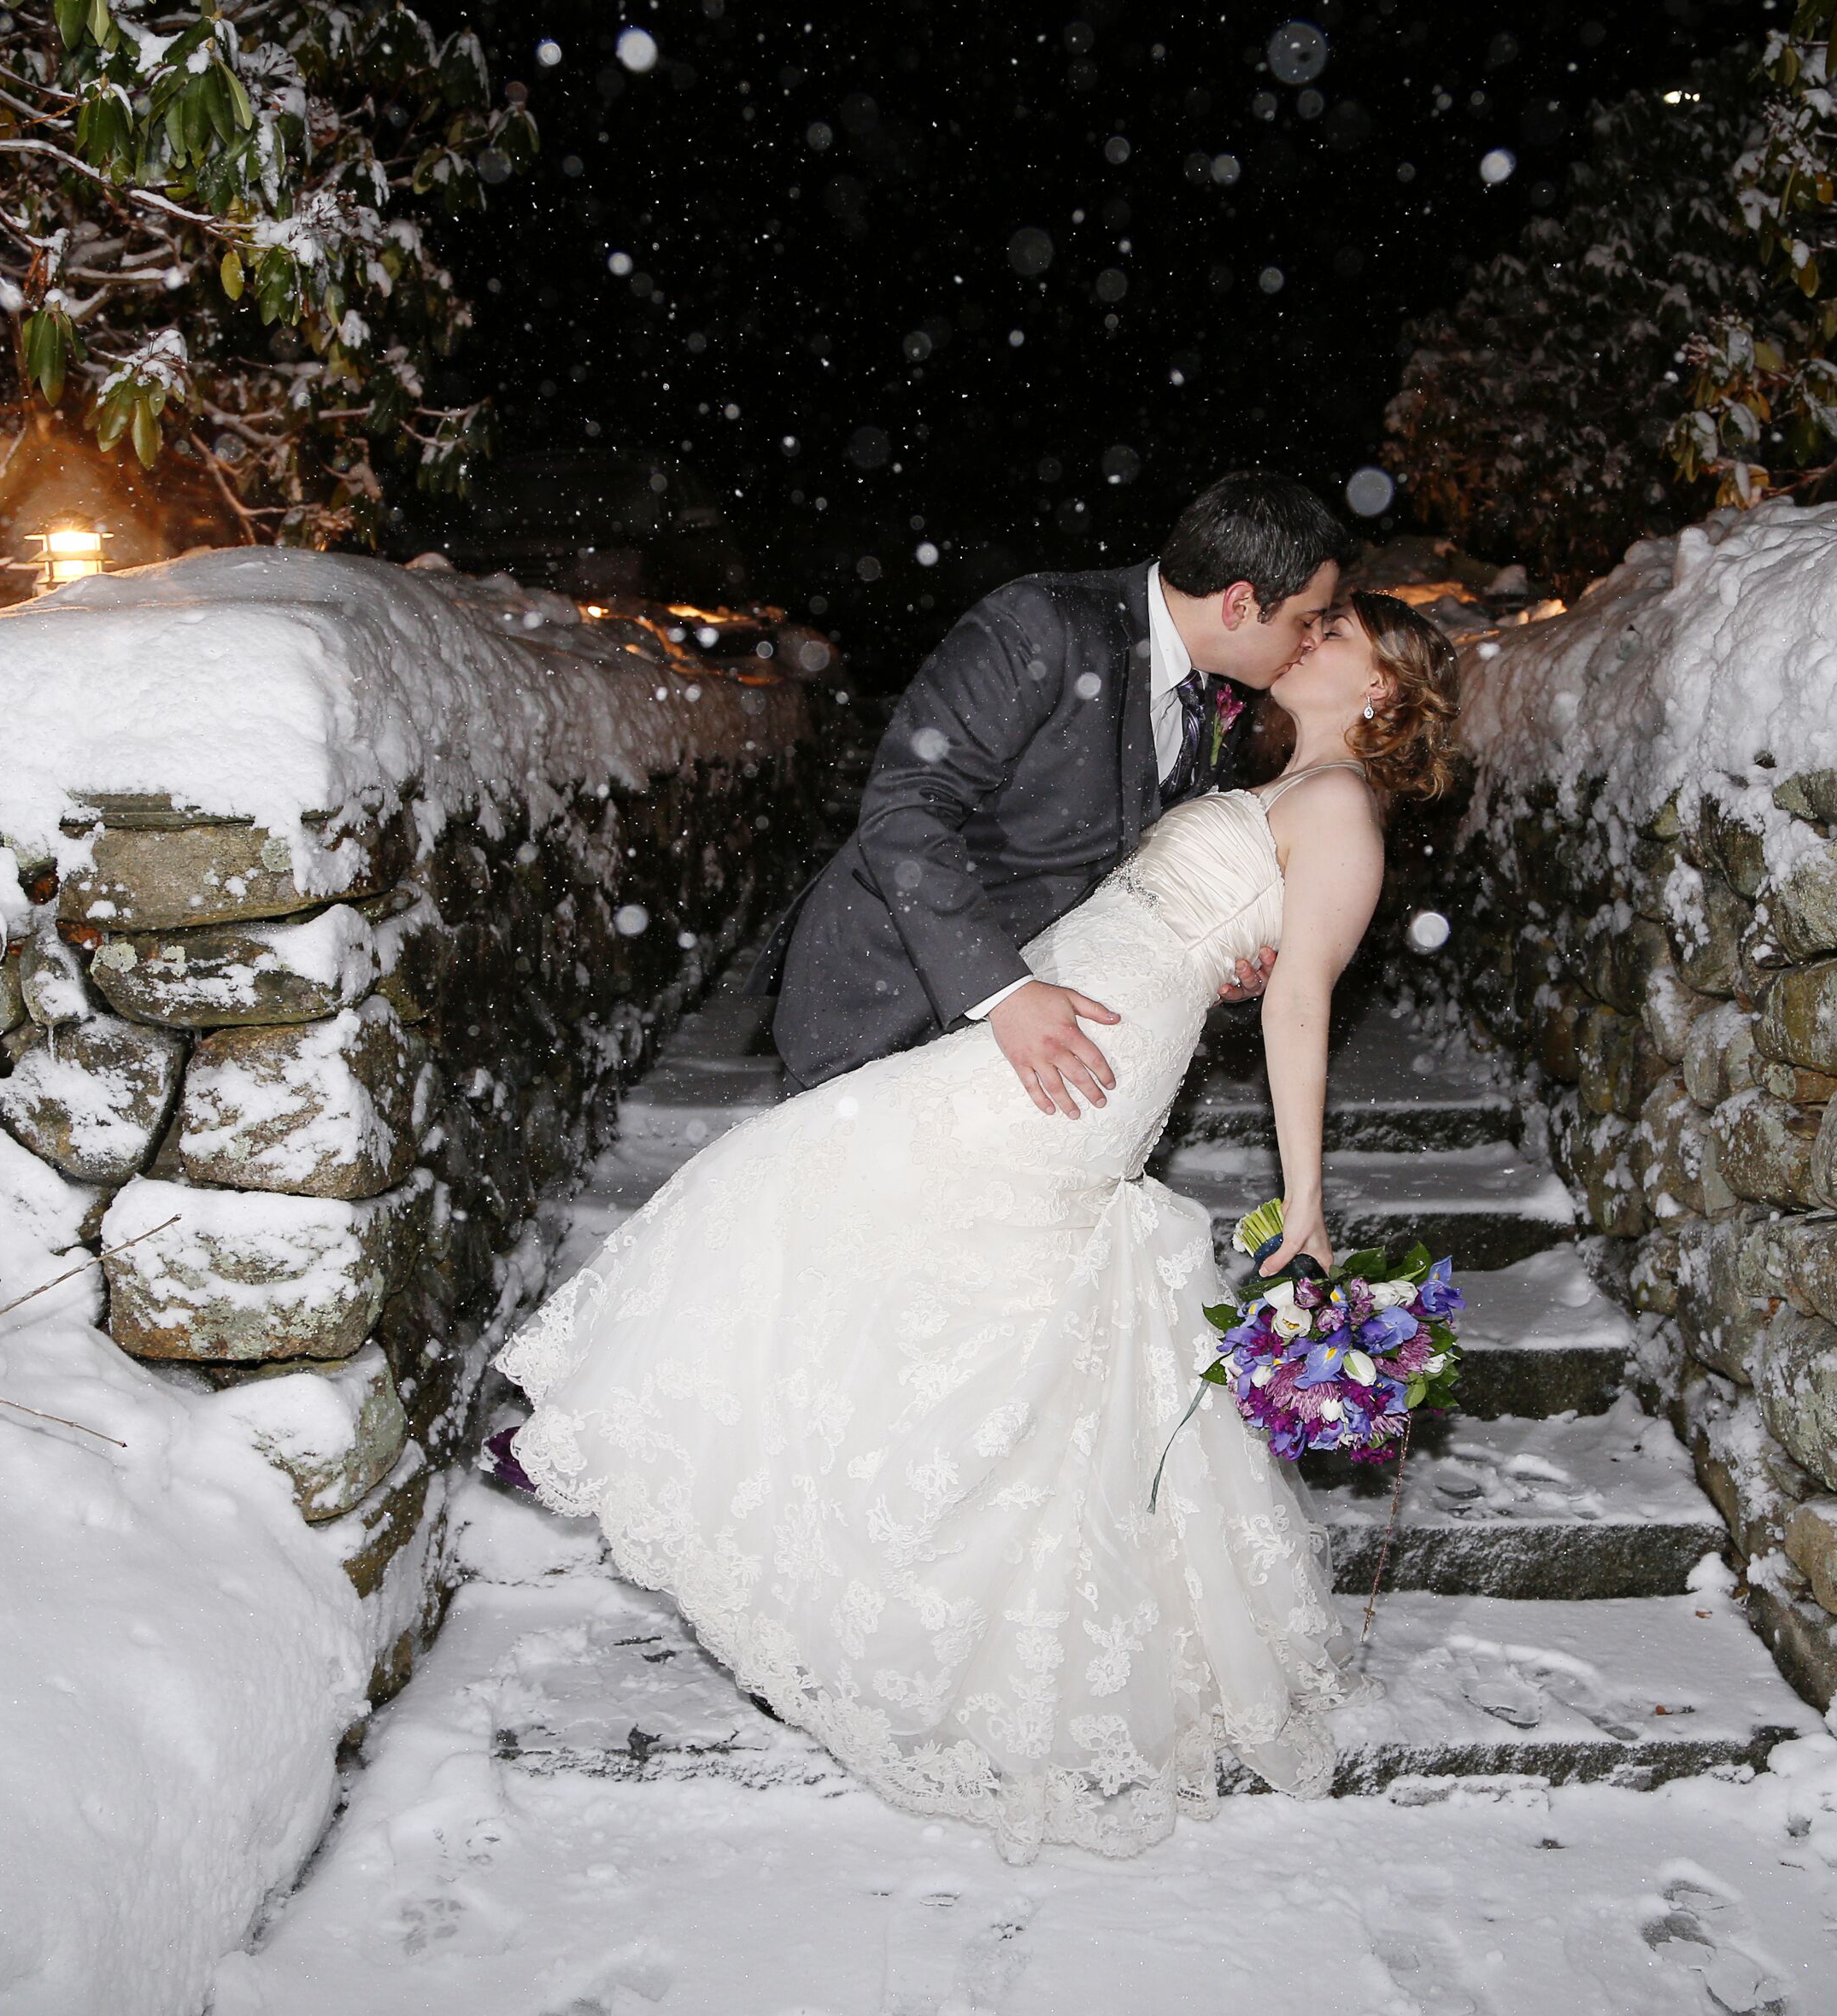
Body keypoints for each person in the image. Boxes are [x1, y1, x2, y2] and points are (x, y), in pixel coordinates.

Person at [494, 593, 1464, 1862]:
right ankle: (734, 1474)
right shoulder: (1284, 778)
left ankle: (656, 1441)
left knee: (809, 1174)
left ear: (1383, 693)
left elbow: (1298, 1014)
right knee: (878, 1230)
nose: (1310, 638)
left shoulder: (1342, 812)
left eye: (1339, 637)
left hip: (1080, 1074)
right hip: (1050, 1020)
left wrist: (1309, 1209)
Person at [765, 473, 1353, 1099]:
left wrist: (1218, 961)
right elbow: (905, 811)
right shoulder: (1044, 625)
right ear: (1240, 604)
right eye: (1308, 620)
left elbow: (1136, 861)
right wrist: (1005, 991)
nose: (1312, 641)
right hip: (893, 990)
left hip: (1045, 1027)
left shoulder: (1210, 694)